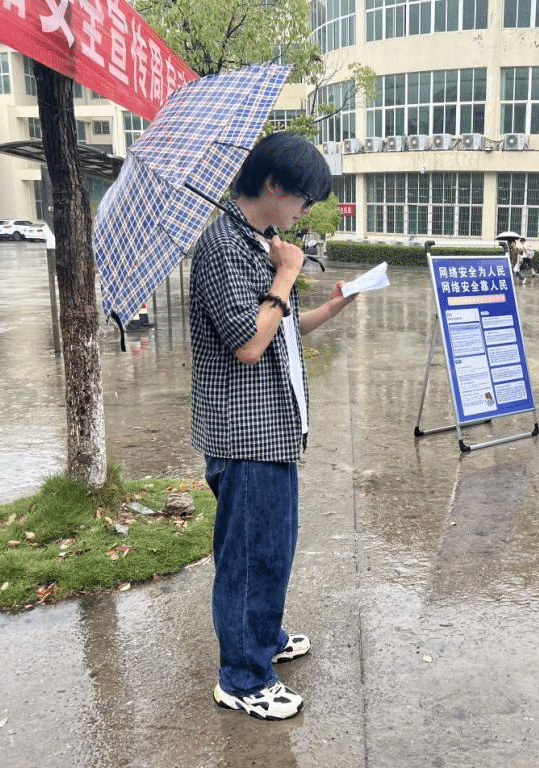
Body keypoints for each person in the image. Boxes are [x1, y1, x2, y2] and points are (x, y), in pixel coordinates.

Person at [189, 132, 357, 720]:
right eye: (303, 198)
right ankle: (241, 677)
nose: (305, 210)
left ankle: (262, 636)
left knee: (273, 550)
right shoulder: (223, 248)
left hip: (274, 431)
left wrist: (331, 306)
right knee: (249, 558)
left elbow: (280, 326)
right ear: (271, 185)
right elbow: (248, 343)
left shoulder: (258, 243)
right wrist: (284, 276)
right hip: (245, 436)